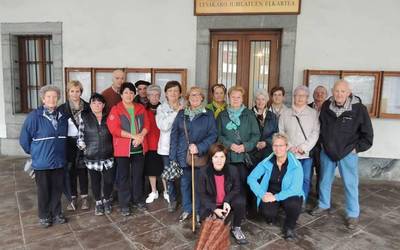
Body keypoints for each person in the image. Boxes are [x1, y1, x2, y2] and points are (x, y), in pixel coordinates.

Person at [310, 80, 373, 230]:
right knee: (324, 180)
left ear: (348, 92)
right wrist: (323, 144)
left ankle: (352, 214)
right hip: (328, 152)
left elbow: (368, 135)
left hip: (348, 153)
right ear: (332, 91)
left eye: (342, 91)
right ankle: (323, 205)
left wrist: (356, 149)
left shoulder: (359, 109)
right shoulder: (326, 106)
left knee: (350, 184)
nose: (339, 94)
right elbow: (320, 127)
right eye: (337, 91)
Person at [20, 85, 68, 228]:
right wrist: (35, 153)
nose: (52, 99)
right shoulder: (34, 117)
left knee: (57, 188)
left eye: (54, 96)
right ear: (43, 99)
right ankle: (44, 215)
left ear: (58, 98)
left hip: (59, 161)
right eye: (48, 97)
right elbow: (24, 140)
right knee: (44, 190)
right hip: (42, 162)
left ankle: (57, 212)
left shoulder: (62, 117)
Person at [170, 86, 217, 222]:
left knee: (197, 184)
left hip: (199, 156)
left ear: (202, 97)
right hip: (182, 155)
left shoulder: (208, 114)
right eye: (192, 95)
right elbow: (174, 135)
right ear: (188, 98)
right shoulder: (181, 114)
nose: (195, 97)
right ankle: (186, 209)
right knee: (184, 183)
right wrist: (173, 157)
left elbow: (213, 135)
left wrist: (199, 147)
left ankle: (197, 211)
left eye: (198, 95)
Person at [247, 133, 304, 240]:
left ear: (287, 147)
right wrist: (262, 194)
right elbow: (251, 178)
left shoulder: (296, 165)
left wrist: (276, 197)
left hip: (289, 194)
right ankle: (274, 212)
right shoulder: (267, 161)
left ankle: (289, 228)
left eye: (281, 145)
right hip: (271, 193)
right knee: (267, 213)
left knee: (294, 204)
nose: (278, 149)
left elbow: (295, 188)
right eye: (275, 146)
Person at [107, 82, 150, 216]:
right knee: (123, 177)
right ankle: (124, 204)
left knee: (138, 176)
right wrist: (134, 136)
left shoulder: (140, 108)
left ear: (134, 94)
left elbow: (147, 125)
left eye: (131, 92)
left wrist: (141, 136)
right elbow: (114, 129)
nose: (129, 95)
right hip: (122, 149)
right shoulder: (116, 109)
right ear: (121, 94)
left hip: (139, 147)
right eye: (126, 92)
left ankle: (137, 199)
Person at [217, 86, 260, 217]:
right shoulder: (222, 115)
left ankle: (244, 208)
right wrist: (229, 145)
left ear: (243, 99)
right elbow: (218, 135)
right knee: (228, 183)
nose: (235, 99)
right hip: (228, 156)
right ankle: (229, 206)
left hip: (244, 157)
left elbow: (256, 135)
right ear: (228, 98)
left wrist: (245, 146)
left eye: (238, 97)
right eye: (233, 97)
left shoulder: (249, 114)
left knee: (244, 182)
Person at [198, 143, 248, 245]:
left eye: (222, 156)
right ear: (211, 158)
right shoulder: (203, 172)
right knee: (210, 235)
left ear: (226, 158)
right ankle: (221, 218)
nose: (219, 160)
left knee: (240, 200)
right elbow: (202, 195)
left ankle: (236, 227)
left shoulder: (232, 170)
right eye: (215, 157)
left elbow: (236, 188)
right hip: (211, 204)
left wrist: (226, 201)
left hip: (227, 202)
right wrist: (214, 208)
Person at [279, 85, 319, 210]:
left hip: (305, 154)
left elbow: (315, 132)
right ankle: (287, 201)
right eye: (297, 95)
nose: (300, 98)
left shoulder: (313, 114)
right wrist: (289, 146)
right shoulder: (285, 113)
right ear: (293, 97)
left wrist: (303, 147)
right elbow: (281, 131)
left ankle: (301, 201)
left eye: (303, 96)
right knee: (288, 178)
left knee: (305, 179)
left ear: (307, 98)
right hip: (289, 153)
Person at [76, 93, 115, 216]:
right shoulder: (85, 117)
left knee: (109, 180)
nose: (97, 105)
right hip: (92, 156)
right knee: (95, 181)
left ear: (103, 105)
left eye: (99, 103)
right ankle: (98, 202)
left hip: (108, 155)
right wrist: (84, 148)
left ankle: (107, 199)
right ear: (90, 104)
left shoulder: (110, 117)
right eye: (94, 103)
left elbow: (115, 133)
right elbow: (80, 136)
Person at [59, 80, 90, 211]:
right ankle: (72, 198)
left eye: (77, 91)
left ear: (81, 92)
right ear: (68, 92)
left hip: (83, 142)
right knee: (70, 171)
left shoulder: (88, 107)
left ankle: (85, 198)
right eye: (72, 91)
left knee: (83, 171)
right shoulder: (62, 108)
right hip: (69, 143)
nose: (75, 94)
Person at [156, 81, 184, 212]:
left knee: (185, 174)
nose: (173, 93)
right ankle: (172, 200)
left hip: (183, 147)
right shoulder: (161, 108)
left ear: (180, 93)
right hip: (166, 148)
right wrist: (176, 113)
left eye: (176, 90)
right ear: (166, 94)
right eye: (170, 91)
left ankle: (185, 199)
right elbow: (163, 126)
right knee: (170, 175)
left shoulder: (185, 107)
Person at [144, 85, 169, 204]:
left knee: (165, 169)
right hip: (149, 143)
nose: (154, 97)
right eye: (151, 95)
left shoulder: (165, 108)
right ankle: (154, 191)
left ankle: (166, 191)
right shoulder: (143, 109)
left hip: (163, 143)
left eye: (157, 95)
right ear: (147, 96)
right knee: (151, 169)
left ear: (160, 96)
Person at [308, 85, 328, 197]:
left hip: (323, 146)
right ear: (313, 94)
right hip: (309, 146)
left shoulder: (330, 109)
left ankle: (320, 196)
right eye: (317, 92)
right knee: (307, 171)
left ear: (326, 95)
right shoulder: (307, 107)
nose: (319, 95)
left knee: (322, 172)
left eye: (322, 93)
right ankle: (307, 193)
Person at [251, 89, 279, 165]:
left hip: (268, 152)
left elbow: (276, 133)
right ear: (255, 100)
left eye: (263, 99)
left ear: (266, 100)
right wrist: (254, 143)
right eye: (258, 99)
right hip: (252, 152)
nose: (260, 102)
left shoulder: (272, 116)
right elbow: (245, 133)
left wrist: (266, 142)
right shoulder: (248, 114)